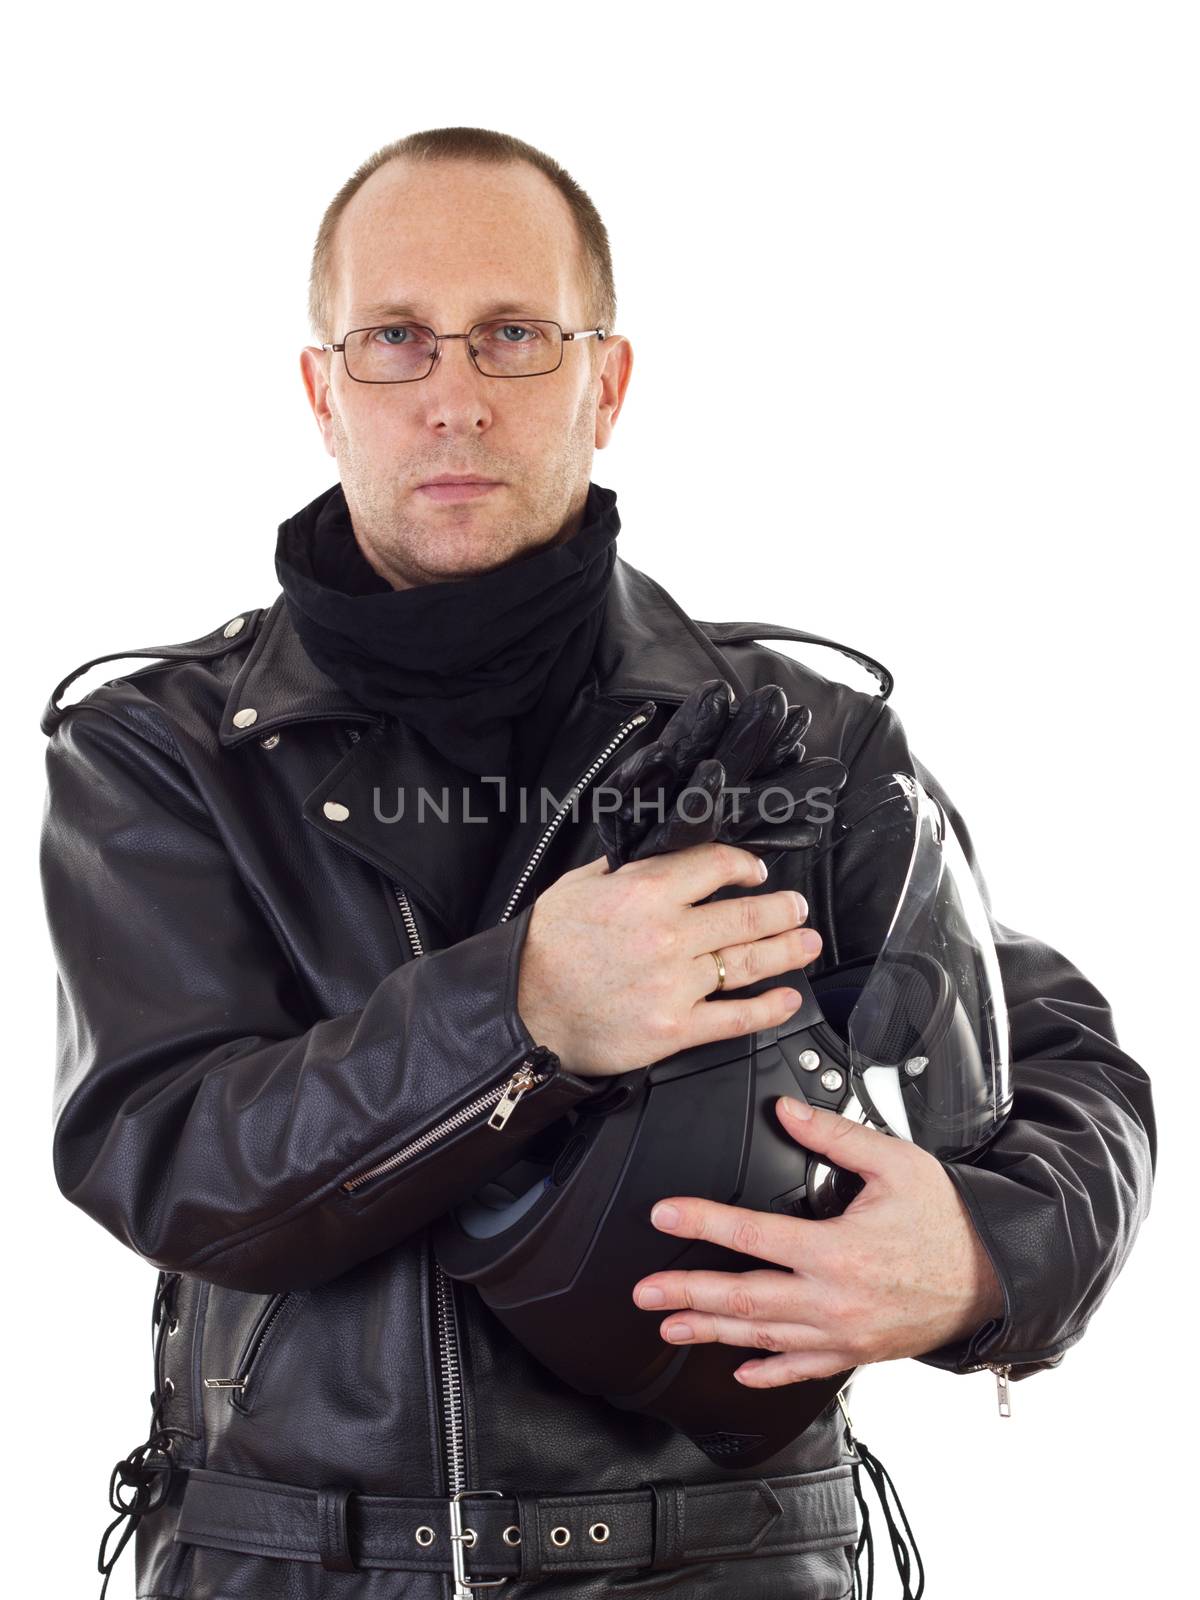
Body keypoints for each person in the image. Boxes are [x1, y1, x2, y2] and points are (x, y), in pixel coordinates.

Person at [39, 126, 1156, 1600]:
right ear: (323, 390)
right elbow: (168, 1151)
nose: (455, 397)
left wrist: (989, 1258)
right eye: (395, 340)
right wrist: (527, 1013)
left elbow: (1049, 1048)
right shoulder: (160, 749)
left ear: (604, 383)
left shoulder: (795, 738)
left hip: (728, 1566)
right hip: (295, 1570)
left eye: (514, 336)